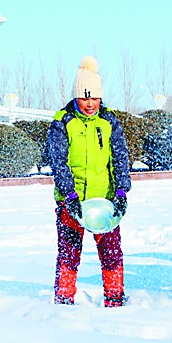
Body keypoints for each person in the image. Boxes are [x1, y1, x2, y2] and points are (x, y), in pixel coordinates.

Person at [47, 56, 131, 307]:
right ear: (76, 97)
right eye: (85, 98)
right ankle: (64, 298)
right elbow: (58, 161)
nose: (90, 104)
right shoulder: (63, 122)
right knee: (69, 253)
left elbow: (120, 158)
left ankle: (115, 297)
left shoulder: (109, 122)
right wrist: (70, 195)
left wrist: (121, 192)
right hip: (71, 203)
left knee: (111, 252)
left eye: (94, 98)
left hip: (103, 203)